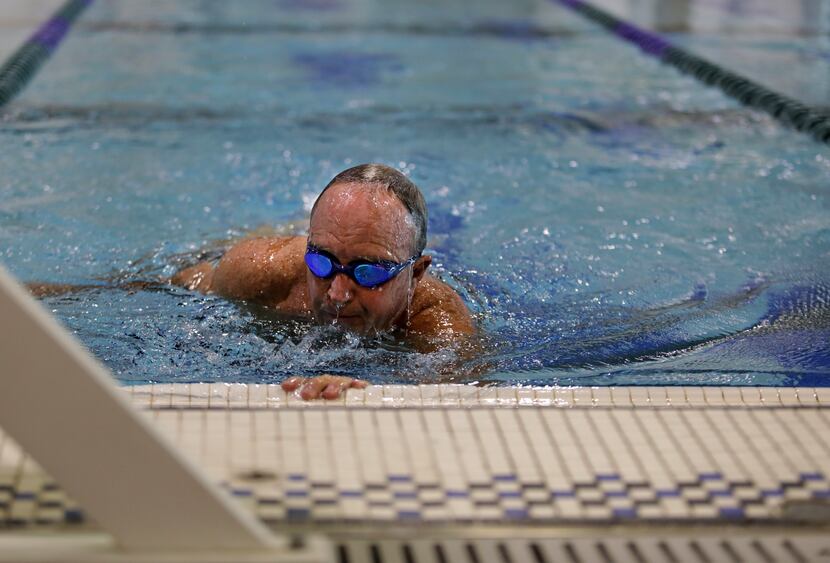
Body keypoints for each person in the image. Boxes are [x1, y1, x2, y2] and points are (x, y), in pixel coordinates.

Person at [171, 163, 475, 399]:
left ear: (416, 275)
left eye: (368, 272)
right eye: (321, 262)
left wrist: (372, 391)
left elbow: (450, 397)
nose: (338, 293)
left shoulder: (438, 320)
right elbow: (185, 278)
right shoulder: (261, 270)